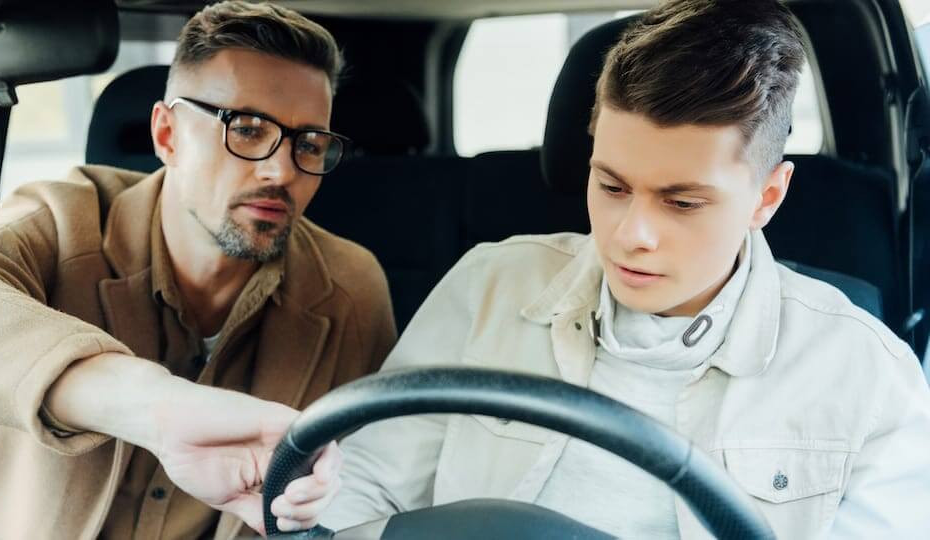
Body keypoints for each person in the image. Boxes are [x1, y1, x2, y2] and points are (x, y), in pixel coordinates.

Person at [321, 0, 930, 538]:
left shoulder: (868, 379)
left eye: (683, 202)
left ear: (766, 198)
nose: (631, 235)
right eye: (611, 185)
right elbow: (361, 496)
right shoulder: (488, 287)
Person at [0, 2, 396, 539]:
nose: (280, 170)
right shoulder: (62, 219)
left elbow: (378, 474)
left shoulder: (350, 290)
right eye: (246, 129)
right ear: (167, 134)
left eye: (309, 144)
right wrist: (155, 407)